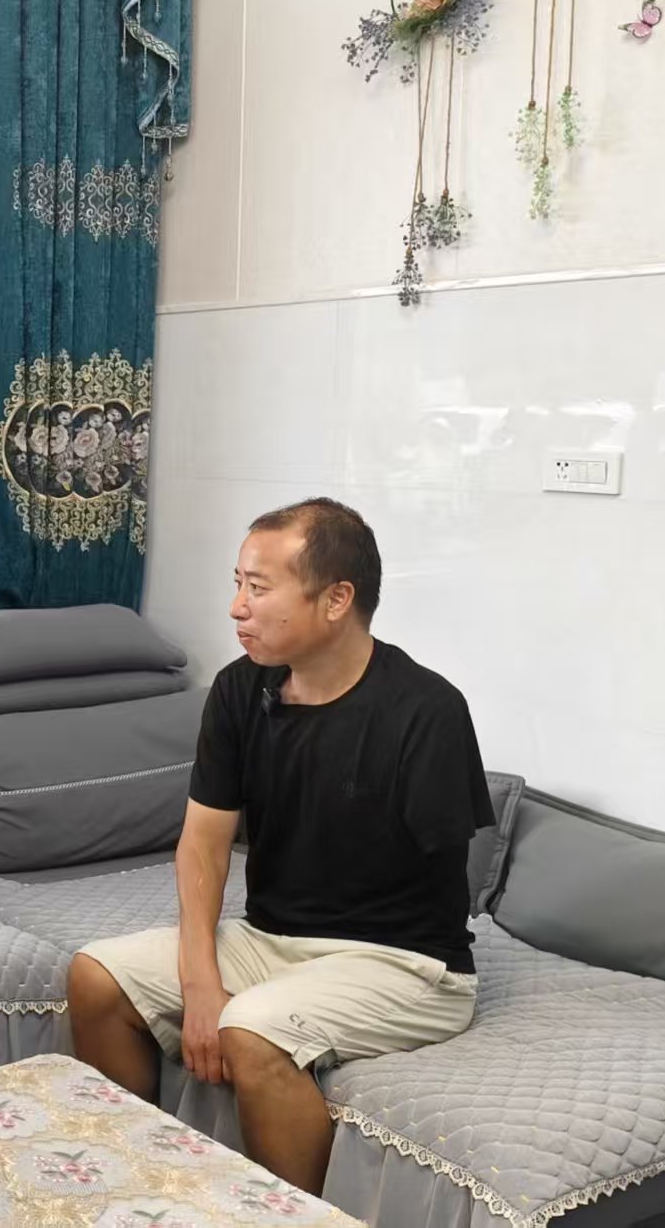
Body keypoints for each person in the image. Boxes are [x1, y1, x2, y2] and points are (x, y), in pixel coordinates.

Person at [67, 497, 491, 1195]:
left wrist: (244, 1000)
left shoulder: (426, 710)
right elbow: (203, 846)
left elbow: (452, 883)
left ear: (336, 599)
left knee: (252, 1029)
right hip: (272, 939)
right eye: (238, 583)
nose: (237, 607)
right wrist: (201, 983)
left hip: (405, 962)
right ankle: (138, 1191)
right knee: (96, 976)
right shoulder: (239, 690)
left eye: (258, 588)